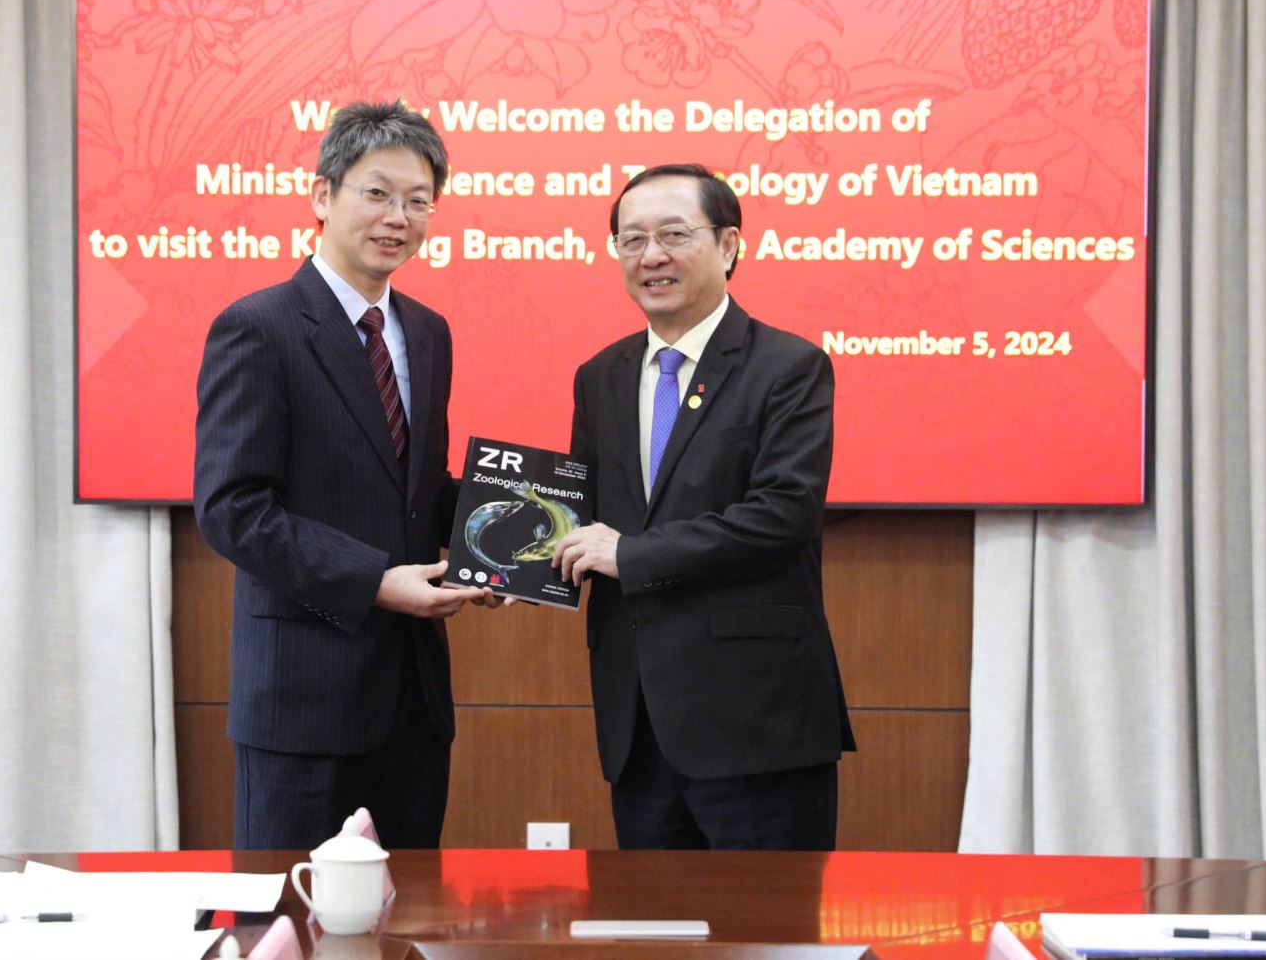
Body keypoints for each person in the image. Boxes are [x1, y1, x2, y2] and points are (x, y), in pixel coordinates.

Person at [194, 101, 485, 849]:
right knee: (297, 907)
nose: (399, 217)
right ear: (323, 195)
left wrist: (501, 544)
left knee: (407, 905)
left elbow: (416, 490)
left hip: (414, 701)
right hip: (304, 702)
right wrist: (375, 582)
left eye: (418, 201)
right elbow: (232, 509)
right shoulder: (258, 326)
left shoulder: (428, 332)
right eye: (378, 193)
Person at [551, 163, 855, 850]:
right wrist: (520, 564)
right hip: (638, 724)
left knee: (767, 918)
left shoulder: (788, 366)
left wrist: (630, 554)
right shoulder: (600, 377)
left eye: (673, 235)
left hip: (756, 722)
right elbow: (582, 513)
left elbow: (783, 513)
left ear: (728, 245)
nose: (651, 256)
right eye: (632, 240)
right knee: (647, 916)